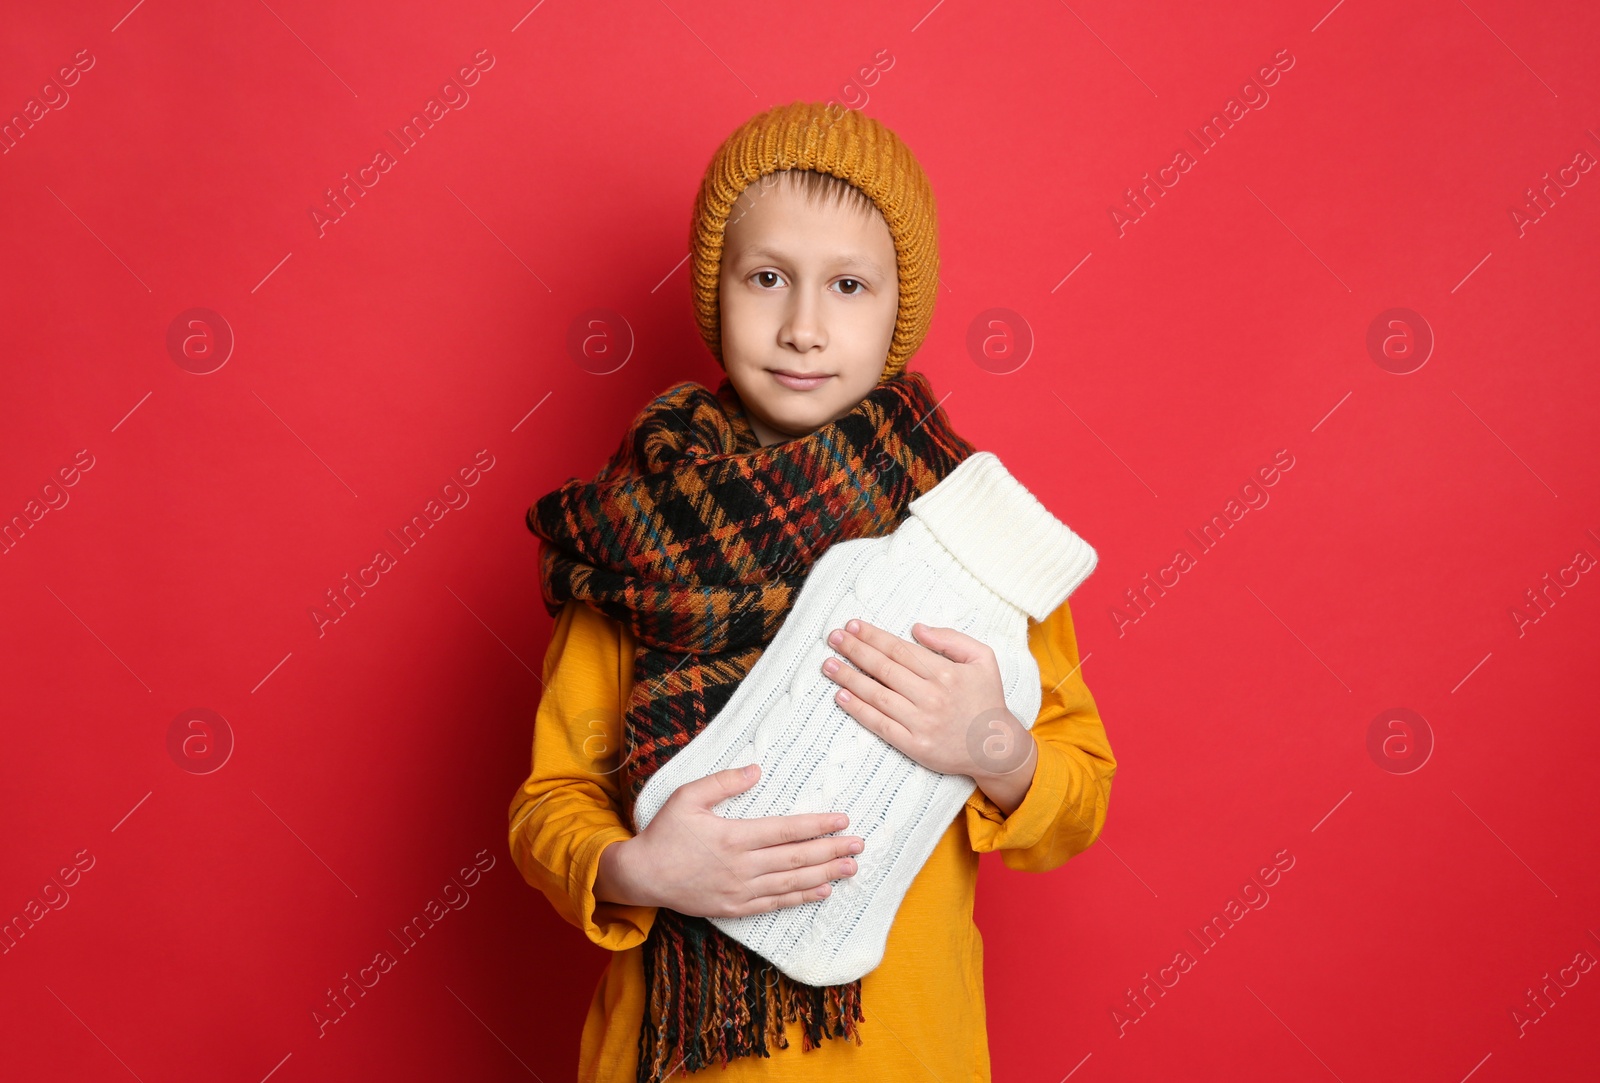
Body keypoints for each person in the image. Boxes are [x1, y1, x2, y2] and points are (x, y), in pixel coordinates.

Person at [508, 100, 1117, 1083]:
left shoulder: (970, 532)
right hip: (672, 1060)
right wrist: (637, 871)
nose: (802, 327)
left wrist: (989, 743)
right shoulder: (636, 536)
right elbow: (553, 801)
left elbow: (1078, 790)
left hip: (902, 1056)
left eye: (846, 285)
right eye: (765, 279)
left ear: (896, 308)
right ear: (717, 293)